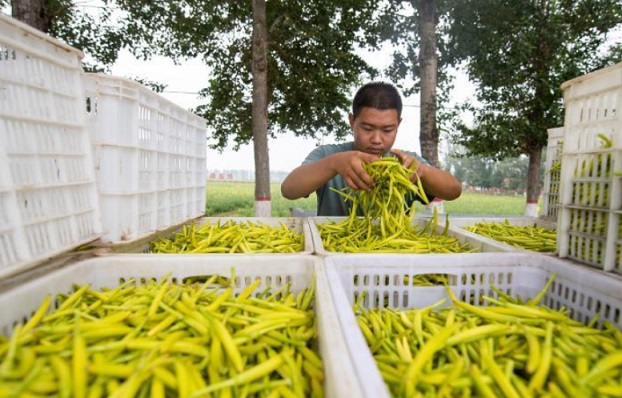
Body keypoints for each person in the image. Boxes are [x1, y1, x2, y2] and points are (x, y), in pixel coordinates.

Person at [281, 81, 462, 216]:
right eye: (367, 129)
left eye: (387, 130)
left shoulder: (406, 164)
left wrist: (423, 172)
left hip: (389, 259)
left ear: (398, 124)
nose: (376, 139)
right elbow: (289, 190)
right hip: (334, 256)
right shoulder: (329, 155)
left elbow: (453, 190)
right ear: (352, 122)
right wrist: (335, 164)